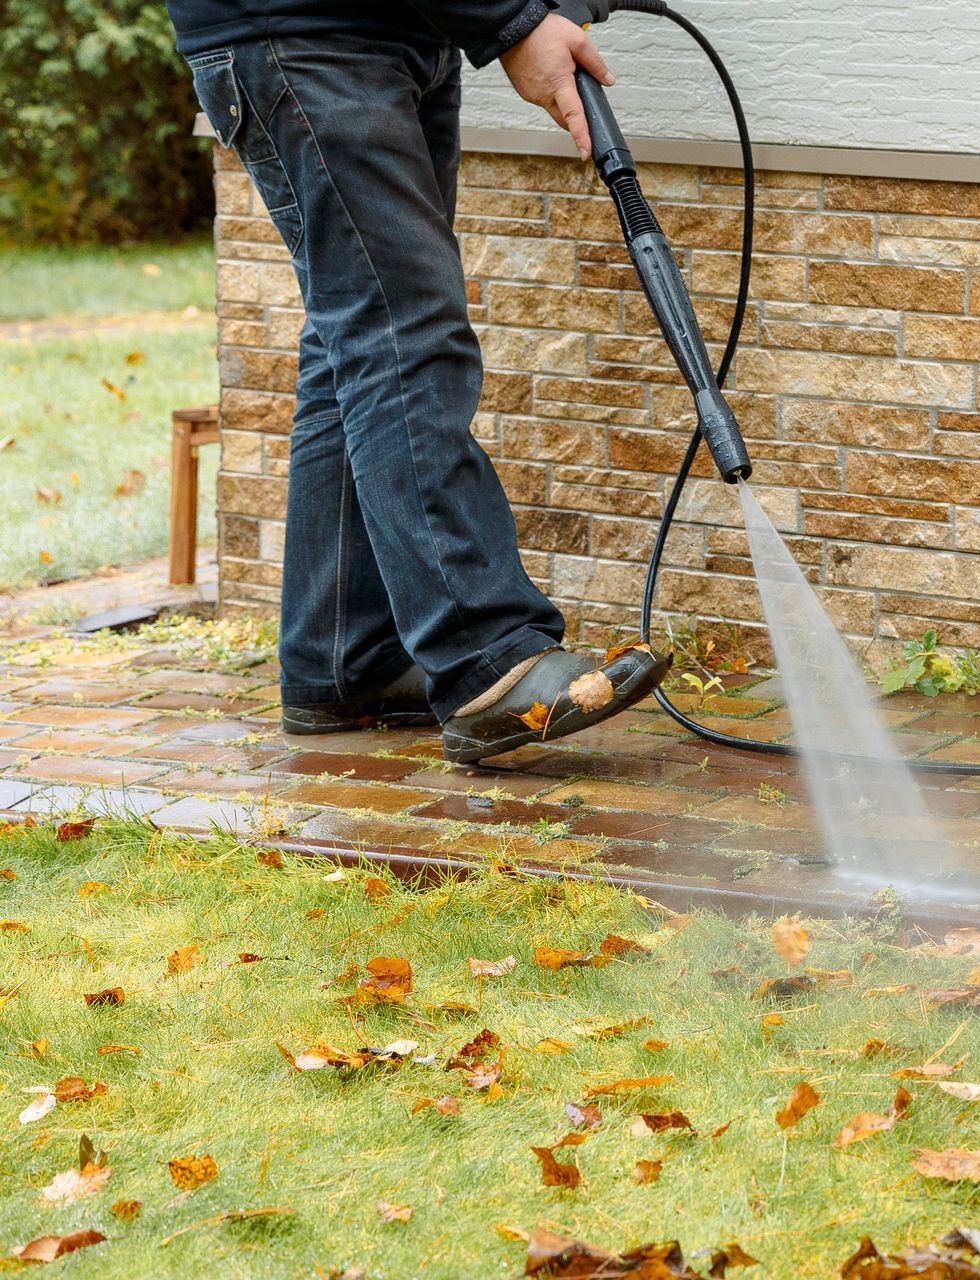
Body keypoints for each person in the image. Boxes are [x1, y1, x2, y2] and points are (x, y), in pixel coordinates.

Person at [163, 0, 667, 763]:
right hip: (303, 34)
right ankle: (487, 660)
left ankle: (343, 661)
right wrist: (513, 20)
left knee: (358, 341)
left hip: (396, 31)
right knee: (403, 333)